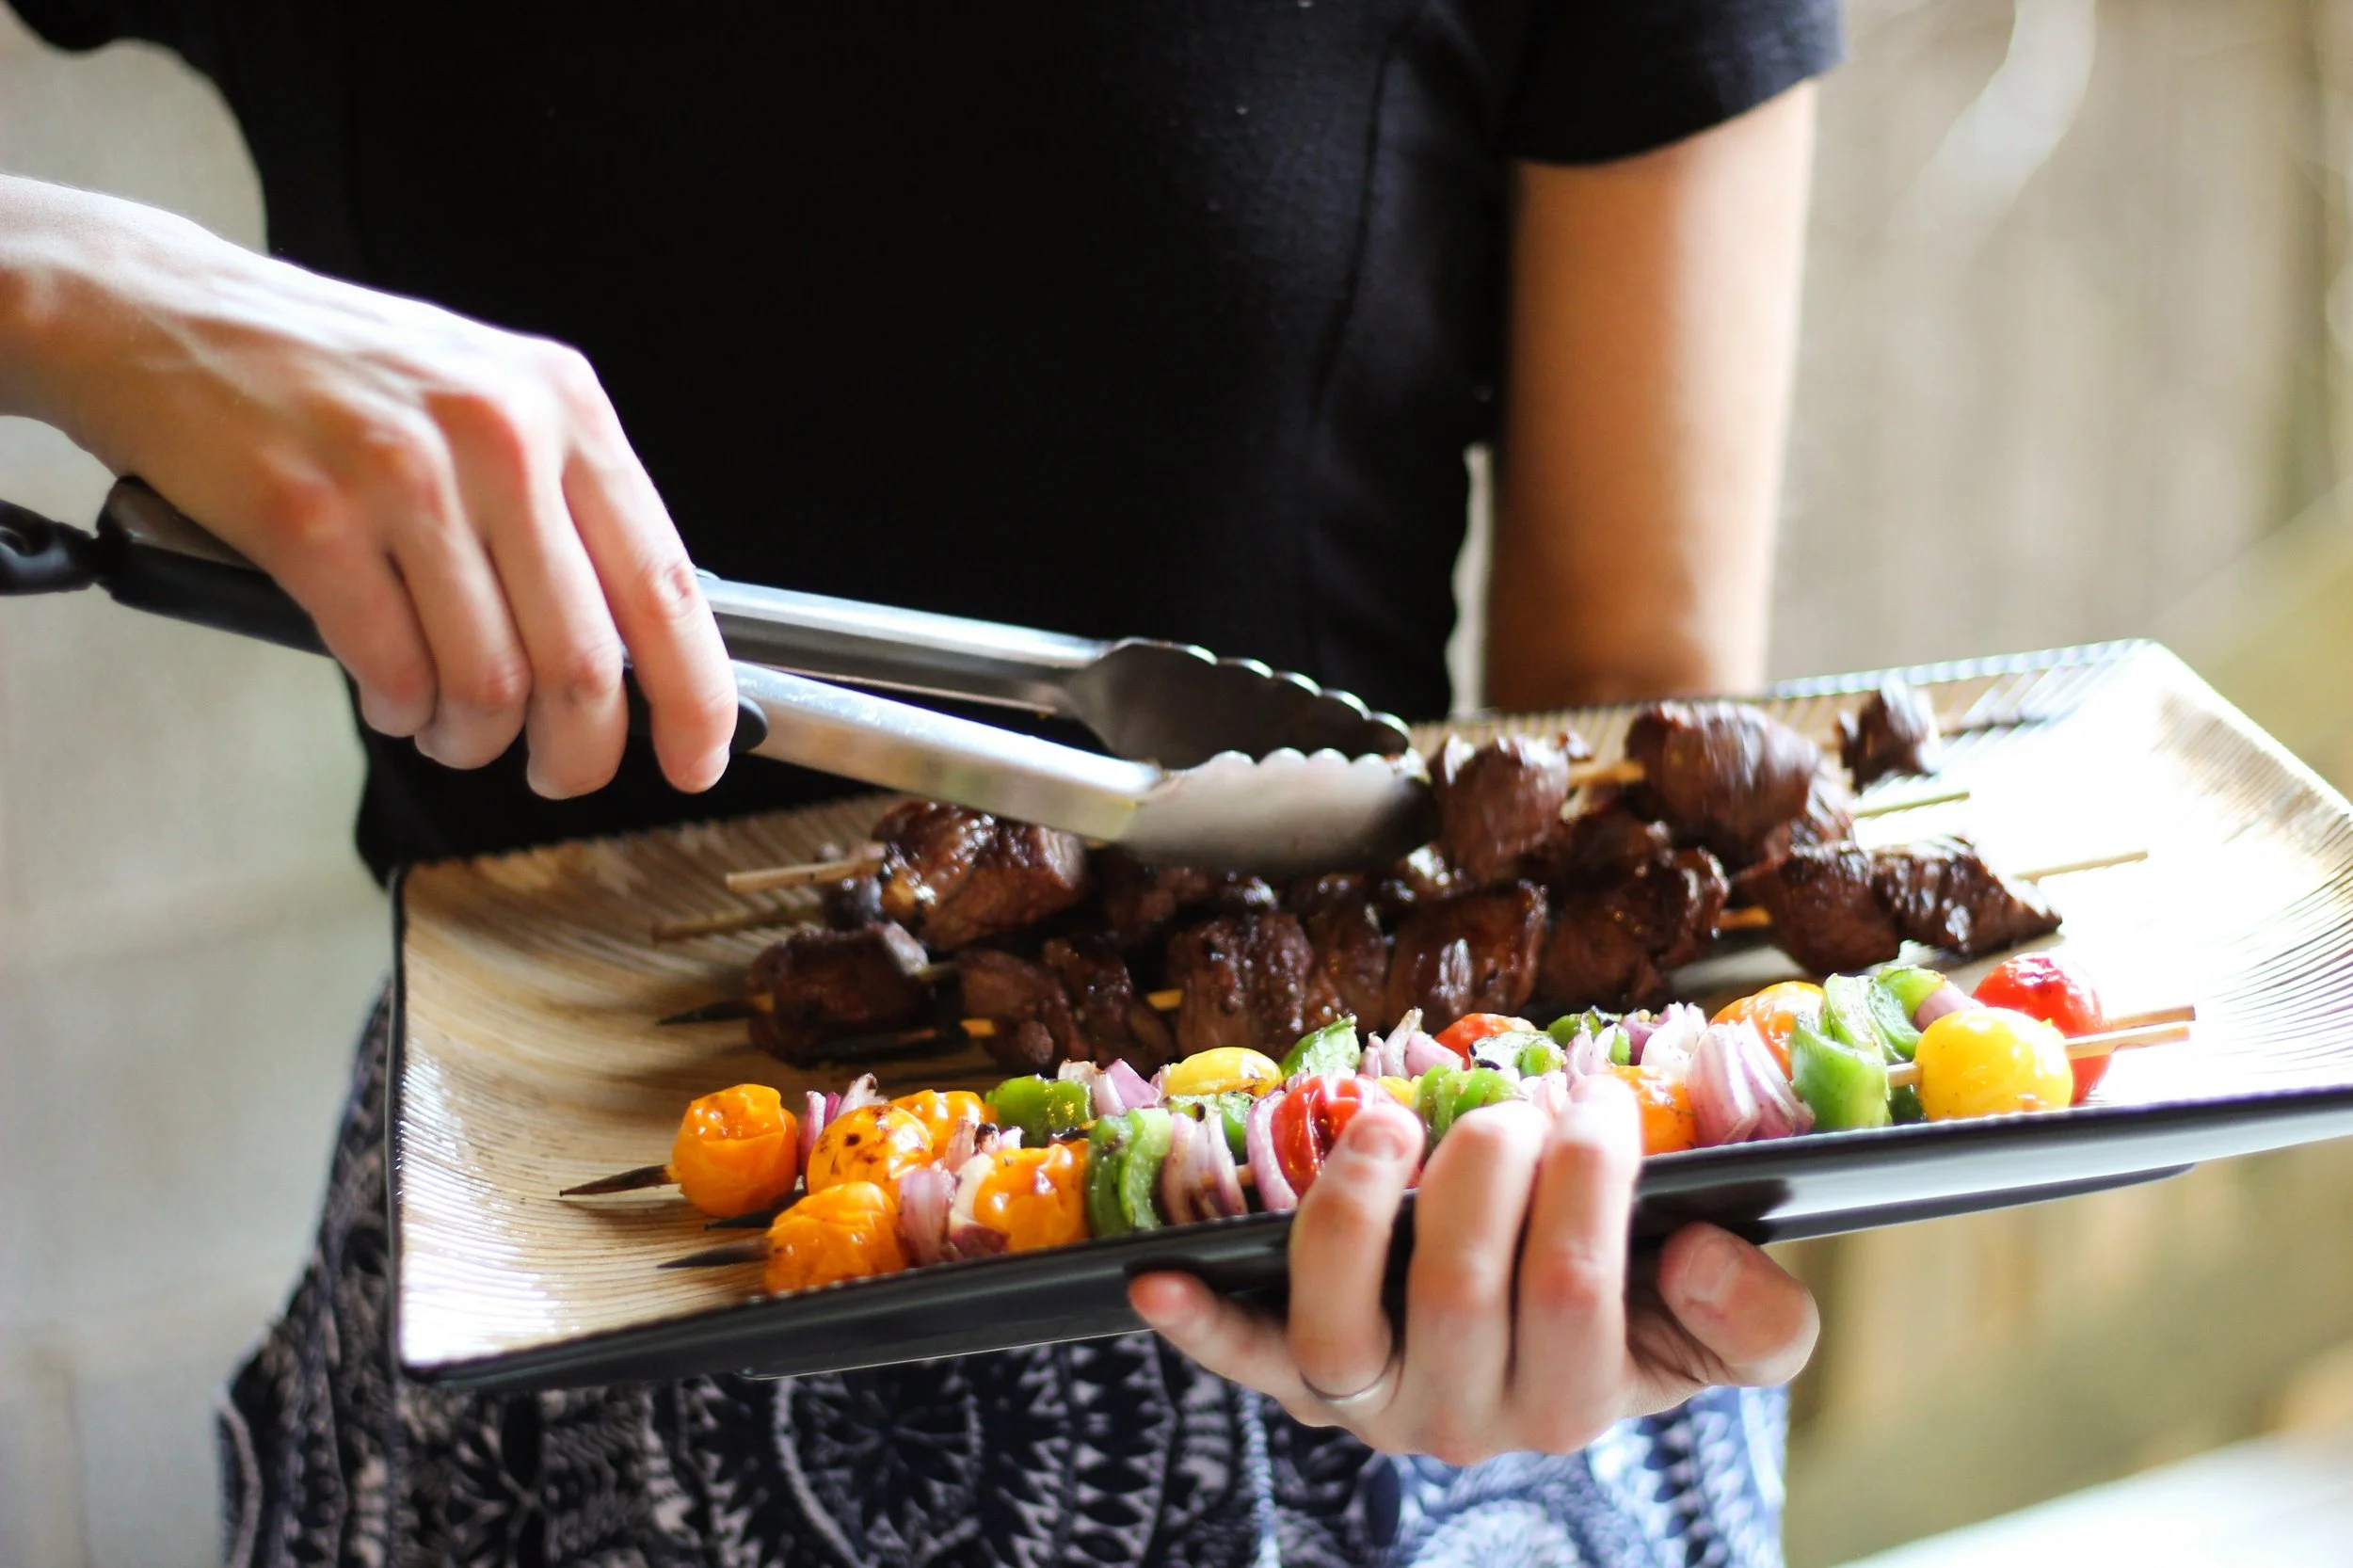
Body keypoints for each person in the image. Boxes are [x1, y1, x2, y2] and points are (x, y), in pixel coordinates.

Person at [1, 5, 1833, 1562]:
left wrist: (1582, 1241)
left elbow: (1627, 695)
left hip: (1395, 1307)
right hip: (557, 1339)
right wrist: (73, 282)